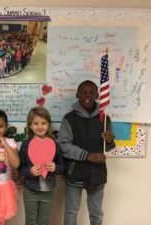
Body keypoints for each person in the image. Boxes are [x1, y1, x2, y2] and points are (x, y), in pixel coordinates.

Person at [58, 80, 115, 225]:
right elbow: (64, 146)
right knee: (71, 211)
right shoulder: (69, 119)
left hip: (97, 174)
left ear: (97, 95)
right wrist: (87, 156)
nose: (87, 95)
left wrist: (109, 141)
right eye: (83, 92)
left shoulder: (105, 118)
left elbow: (107, 148)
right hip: (75, 173)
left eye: (91, 92)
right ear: (77, 94)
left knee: (96, 213)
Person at [18, 106, 65, 225]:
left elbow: (62, 167)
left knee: (44, 220)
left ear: (49, 125)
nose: (40, 127)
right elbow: (21, 168)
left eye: (43, 123)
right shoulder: (25, 144)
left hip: (49, 190)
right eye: (36, 123)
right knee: (31, 220)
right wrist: (30, 171)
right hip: (30, 190)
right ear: (30, 125)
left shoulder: (55, 144)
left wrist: (55, 168)